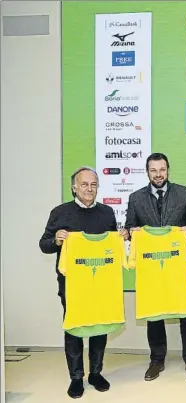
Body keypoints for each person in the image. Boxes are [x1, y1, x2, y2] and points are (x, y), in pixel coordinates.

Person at [39, 166, 128, 398]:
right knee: (75, 329)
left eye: (93, 184)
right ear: (74, 187)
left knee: (100, 327)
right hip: (72, 284)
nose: (89, 189)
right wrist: (57, 240)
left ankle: (96, 373)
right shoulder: (60, 212)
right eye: (85, 184)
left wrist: (121, 238)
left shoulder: (107, 213)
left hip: (102, 284)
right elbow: (44, 244)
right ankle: (76, 377)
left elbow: (112, 244)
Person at [124, 153, 186, 382]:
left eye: (162, 169)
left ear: (168, 170)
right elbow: (129, 227)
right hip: (151, 267)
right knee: (153, 312)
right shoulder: (136, 198)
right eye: (153, 170)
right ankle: (157, 360)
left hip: (180, 265)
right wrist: (132, 232)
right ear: (147, 172)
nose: (158, 174)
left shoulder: (184, 193)